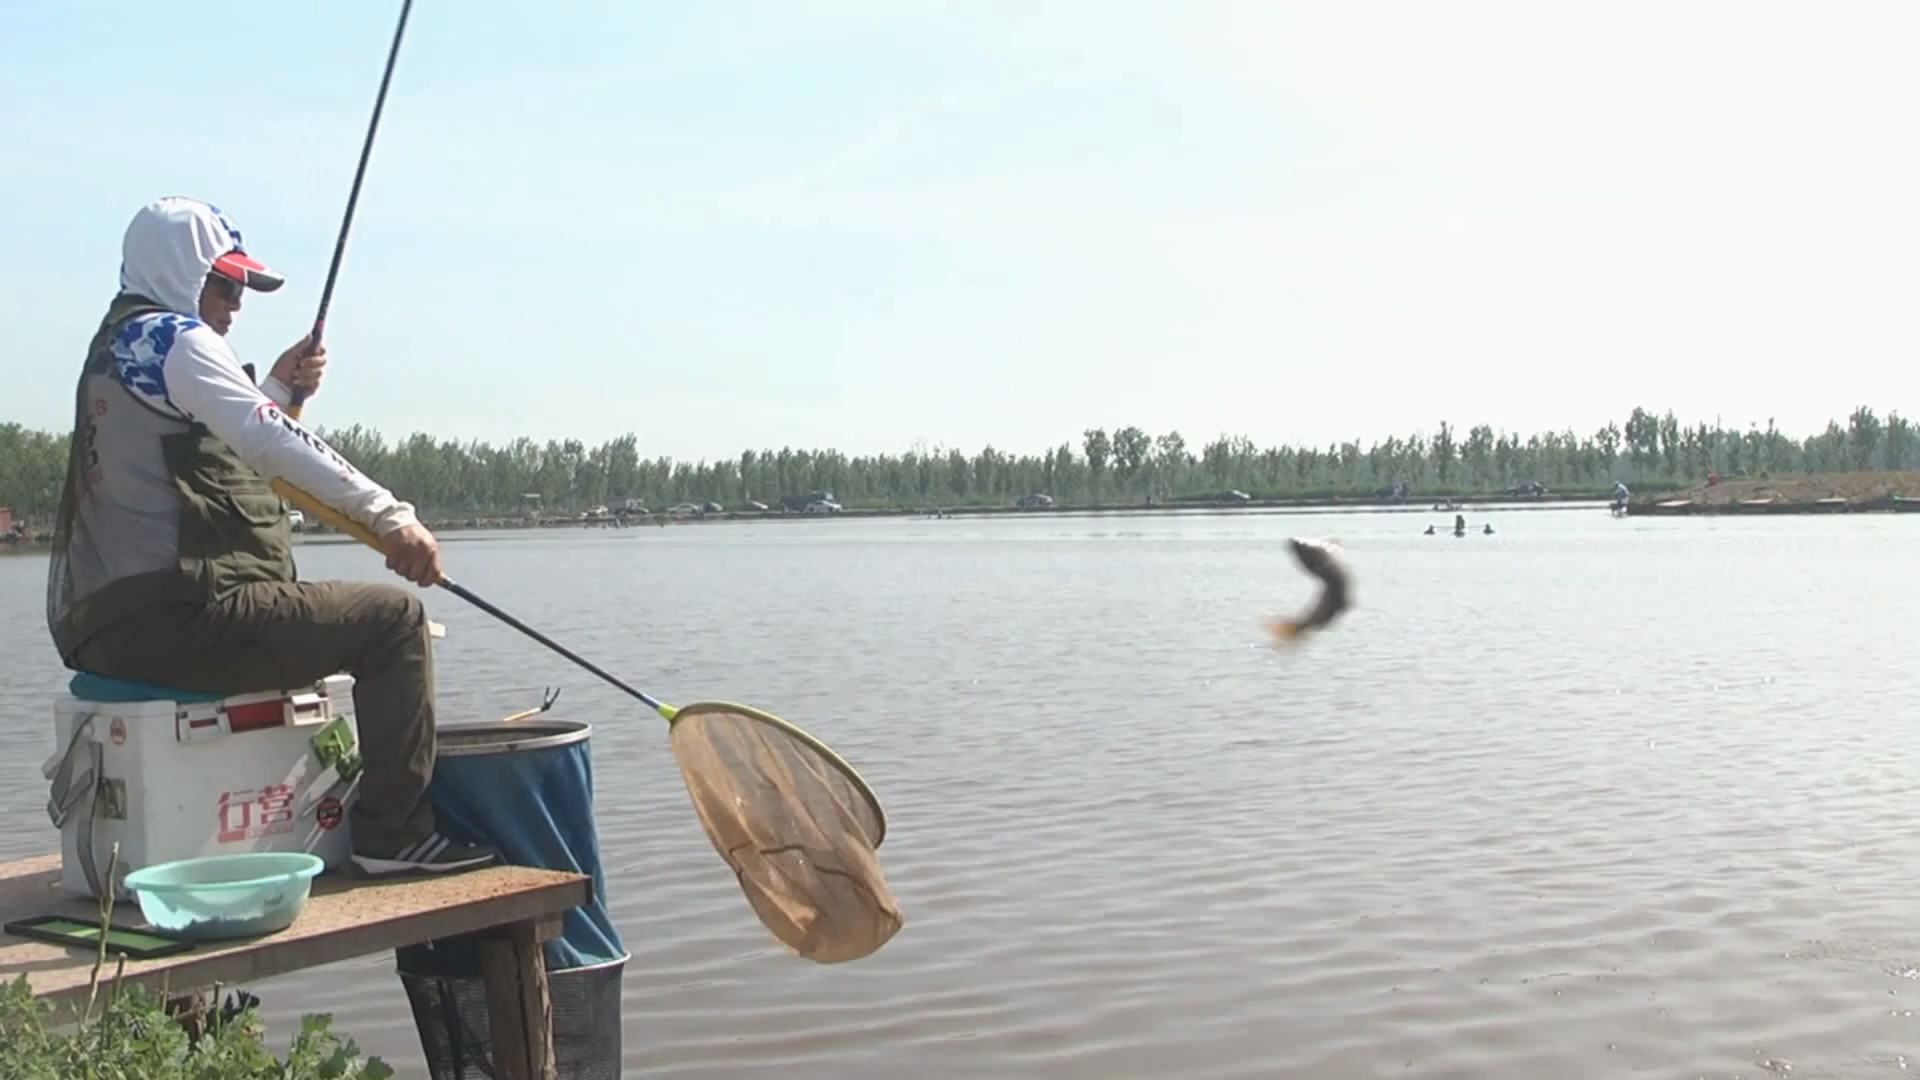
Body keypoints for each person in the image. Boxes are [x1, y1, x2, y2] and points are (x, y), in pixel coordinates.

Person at [44, 195, 496, 878]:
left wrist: (281, 386)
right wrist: (390, 517)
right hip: (181, 620)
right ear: (182, 273)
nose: (236, 302)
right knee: (395, 622)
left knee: (361, 617)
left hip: (106, 627)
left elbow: (224, 442)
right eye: (225, 282)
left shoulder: (120, 344)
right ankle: (393, 836)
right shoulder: (179, 340)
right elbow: (267, 440)